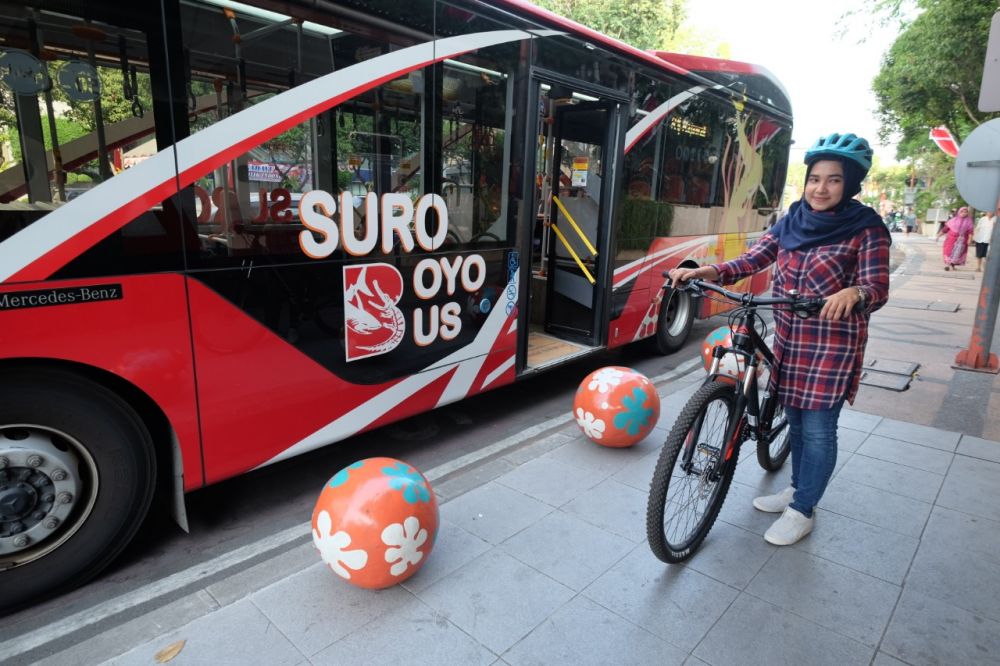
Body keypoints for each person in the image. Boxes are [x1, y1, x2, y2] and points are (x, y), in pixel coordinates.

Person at [669, 132, 890, 546]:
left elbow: (877, 286)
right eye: (814, 178)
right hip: (790, 337)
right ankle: (796, 490)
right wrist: (708, 272)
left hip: (833, 345)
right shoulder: (792, 220)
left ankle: (803, 509)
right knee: (798, 421)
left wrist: (854, 292)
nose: (820, 188)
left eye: (834, 180)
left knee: (817, 427)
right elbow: (755, 258)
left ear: (851, 185)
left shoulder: (866, 229)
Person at [936, 206, 974, 271]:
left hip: (962, 241)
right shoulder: (953, 220)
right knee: (949, 251)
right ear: (959, 212)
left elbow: (970, 231)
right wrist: (938, 236)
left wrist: (969, 239)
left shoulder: (969, 221)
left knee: (958, 253)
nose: (964, 213)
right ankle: (948, 265)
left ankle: (953, 265)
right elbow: (945, 229)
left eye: (966, 212)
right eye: (962, 212)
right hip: (951, 239)